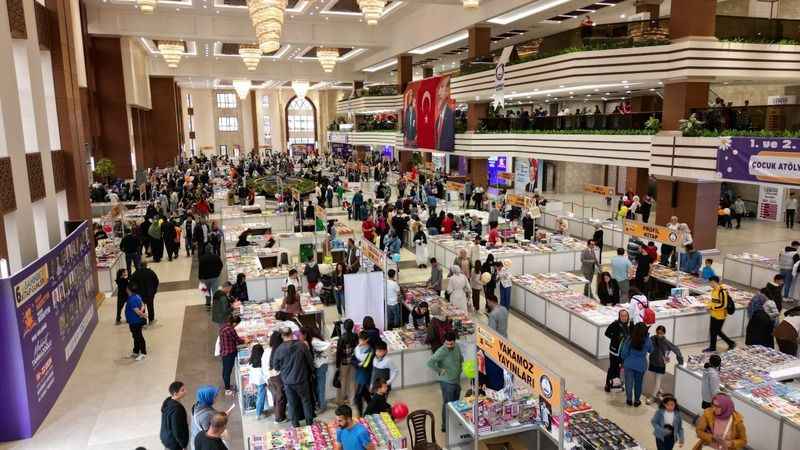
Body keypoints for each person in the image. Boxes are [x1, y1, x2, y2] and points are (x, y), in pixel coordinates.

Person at [272, 327, 315, 427]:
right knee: (306, 401)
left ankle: (295, 425)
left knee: (292, 403)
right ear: (292, 334)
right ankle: (310, 424)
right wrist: (311, 371)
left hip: (287, 382)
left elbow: (276, 367)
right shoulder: (301, 345)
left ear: (282, 336)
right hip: (302, 379)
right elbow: (310, 360)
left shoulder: (279, 349)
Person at [427, 331, 463, 432]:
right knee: (448, 404)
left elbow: (460, 358)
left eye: (451, 344)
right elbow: (430, 362)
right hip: (447, 382)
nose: (449, 346)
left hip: (456, 380)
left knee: (455, 403)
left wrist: (461, 367)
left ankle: (453, 422)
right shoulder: (441, 351)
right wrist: (439, 370)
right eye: (447, 343)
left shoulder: (457, 347)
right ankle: (445, 426)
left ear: (455, 342)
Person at [646, 325, 683, 405]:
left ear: (664, 333)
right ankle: (659, 391)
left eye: (661, 333)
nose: (659, 335)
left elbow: (676, 349)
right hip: (652, 362)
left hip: (661, 364)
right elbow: (647, 346)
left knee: (657, 381)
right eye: (658, 333)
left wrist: (680, 360)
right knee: (654, 379)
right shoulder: (652, 339)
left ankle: (653, 397)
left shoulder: (666, 342)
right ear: (656, 332)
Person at [620, 322, 653, 407]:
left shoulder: (630, 339)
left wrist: (624, 360)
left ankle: (629, 400)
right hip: (641, 365)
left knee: (628, 383)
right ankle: (637, 401)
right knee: (638, 383)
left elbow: (624, 353)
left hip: (629, 364)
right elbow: (651, 350)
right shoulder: (647, 340)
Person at [301, 327, 332, 414]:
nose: (300, 336)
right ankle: (320, 404)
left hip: (321, 366)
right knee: (318, 387)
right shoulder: (312, 341)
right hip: (318, 365)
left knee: (320, 387)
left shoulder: (314, 341)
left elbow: (328, 344)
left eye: (301, 334)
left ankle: (322, 406)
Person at [705, 276, 736, 352]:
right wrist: (708, 306)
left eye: (710, 283)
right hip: (713, 314)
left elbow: (724, 305)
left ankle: (731, 343)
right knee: (712, 331)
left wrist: (713, 308)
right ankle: (712, 347)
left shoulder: (722, 291)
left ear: (714, 282)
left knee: (717, 331)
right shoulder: (713, 290)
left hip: (720, 315)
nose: (710, 284)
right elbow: (713, 301)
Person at [604, 310, 631, 392]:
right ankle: (608, 384)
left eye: (625, 316)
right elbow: (607, 333)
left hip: (623, 352)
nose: (624, 317)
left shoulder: (629, 325)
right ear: (619, 316)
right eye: (622, 316)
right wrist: (615, 339)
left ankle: (616, 384)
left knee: (619, 368)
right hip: (614, 351)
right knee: (612, 367)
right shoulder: (615, 324)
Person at [219, 315, 244, 396]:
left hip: (224, 351)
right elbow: (238, 340)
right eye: (237, 324)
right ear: (234, 323)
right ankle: (227, 390)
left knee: (225, 370)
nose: (236, 326)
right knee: (227, 371)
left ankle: (227, 386)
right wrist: (245, 340)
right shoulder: (230, 329)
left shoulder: (224, 326)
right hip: (229, 353)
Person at [160, 381, 189, 450]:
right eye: (182, 390)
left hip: (165, 435)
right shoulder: (177, 410)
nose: (186, 391)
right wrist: (183, 445)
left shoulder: (168, 402)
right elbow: (177, 430)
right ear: (175, 394)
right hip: (173, 442)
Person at [190, 385, 220, 450]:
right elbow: (211, 434)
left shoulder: (198, 405)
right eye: (215, 396)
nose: (217, 397)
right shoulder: (206, 416)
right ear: (207, 398)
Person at [267, 329, 288, 424]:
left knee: (276, 398)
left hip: (270, 377)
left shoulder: (268, 350)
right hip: (278, 377)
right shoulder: (279, 350)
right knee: (281, 398)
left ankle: (278, 415)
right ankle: (279, 418)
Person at [336, 319, 358, 406]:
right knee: (352, 381)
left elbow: (338, 353)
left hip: (344, 362)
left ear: (344, 327)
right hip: (353, 361)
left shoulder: (342, 338)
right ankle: (352, 400)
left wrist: (337, 364)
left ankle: (342, 400)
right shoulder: (355, 336)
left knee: (343, 381)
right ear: (352, 327)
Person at [353, 331, 374, 417]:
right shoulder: (357, 348)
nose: (360, 341)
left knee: (358, 396)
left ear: (367, 340)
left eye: (362, 340)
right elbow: (353, 359)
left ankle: (361, 415)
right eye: (359, 339)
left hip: (365, 374)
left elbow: (367, 365)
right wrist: (358, 363)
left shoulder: (370, 350)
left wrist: (358, 363)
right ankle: (372, 409)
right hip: (359, 373)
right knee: (366, 394)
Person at [125, 282, 148, 361]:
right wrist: (142, 312)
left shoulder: (132, 300)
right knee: (135, 336)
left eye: (127, 288)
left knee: (138, 337)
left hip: (135, 322)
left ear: (129, 290)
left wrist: (142, 314)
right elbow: (143, 305)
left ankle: (143, 353)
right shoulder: (137, 296)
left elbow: (137, 311)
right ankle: (136, 351)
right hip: (135, 321)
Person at [247, 344, 269, 420]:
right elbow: (265, 373)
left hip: (255, 380)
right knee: (261, 396)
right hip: (261, 381)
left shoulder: (251, 361)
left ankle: (261, 410)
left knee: (259, 396)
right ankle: (258, 413)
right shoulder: (262, 361)